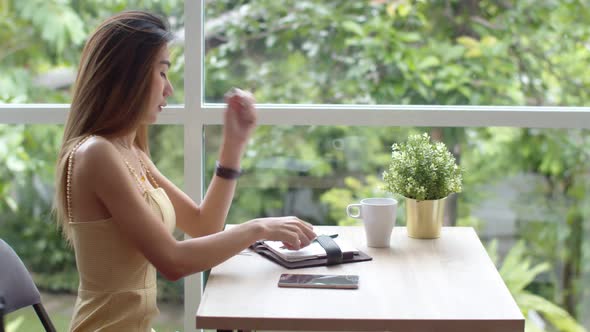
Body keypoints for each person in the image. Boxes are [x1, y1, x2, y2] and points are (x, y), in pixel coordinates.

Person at [53, 10, 316, 331]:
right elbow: (173, 261)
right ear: (129, 75)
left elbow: (204, 226)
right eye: (162, 73)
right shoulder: (96, 154)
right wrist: (259, 228)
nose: (170, 89)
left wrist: (234, 143)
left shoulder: (130, 151)